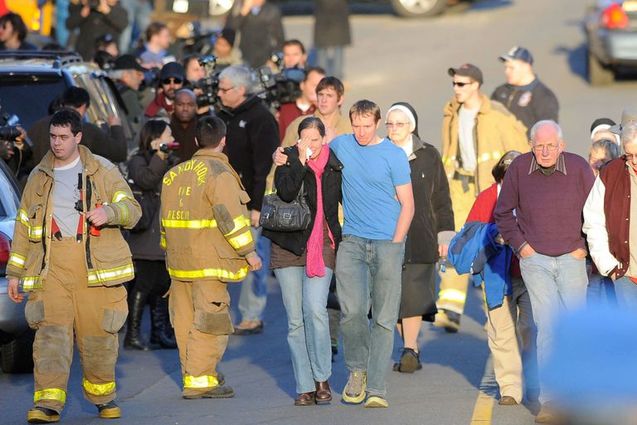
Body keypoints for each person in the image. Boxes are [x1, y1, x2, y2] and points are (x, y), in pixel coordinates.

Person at [275, 100, 414, 407]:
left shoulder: (393, 154)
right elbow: (310, 150)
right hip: (351, 241)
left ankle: (377, 386)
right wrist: (281, 155)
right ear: (350, 123)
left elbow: (408, 204)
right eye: (357, 125)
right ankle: (357, 373)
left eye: (367, 125)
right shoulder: (340, 146)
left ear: (377, 123)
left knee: (383, 318)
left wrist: (396, 242)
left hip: (387, 243)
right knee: (352, 313)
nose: (362, 132)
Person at [6, 108, 141, 423]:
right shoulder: (38, 177)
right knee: (50, 337)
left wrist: (110, 213)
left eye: (64, 137)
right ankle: (48, 403)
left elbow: (132, 210)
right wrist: (15, 273)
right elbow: (24, 228)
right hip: (51, 269)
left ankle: (103, 396)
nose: (57, 143)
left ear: (78, 137)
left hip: (94, 270)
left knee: (97, 338)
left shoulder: (103, 171)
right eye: (53, 136)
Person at [494, 120, 595, 423]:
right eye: (540, 145)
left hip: (572, 258)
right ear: (531, 145)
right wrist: (522, 247)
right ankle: (550, 401)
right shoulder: (519, 169)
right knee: (548, 327)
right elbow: (503, 213)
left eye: (551, 145)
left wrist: (585, 248)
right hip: (535, 259)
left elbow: (594, 213)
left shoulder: (578, 168)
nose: (546, 151)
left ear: (561, 146)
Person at [160, 115, 262, 399]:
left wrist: (168, 250)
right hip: (209, 262)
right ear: (224, 141)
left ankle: (193, 374)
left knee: (184, 322)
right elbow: (230, 219)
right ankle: (201, 381)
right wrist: (249, 252)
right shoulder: (220, 175)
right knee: (210, 321)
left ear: (195, 141)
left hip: (179, 263)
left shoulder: (173, 174)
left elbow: (163, 221)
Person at [436, 63, 529, 333]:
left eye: (461, 84)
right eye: (454, 83)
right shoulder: (451, 113)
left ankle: (506, 299)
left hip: (489, 188)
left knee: (493, 242)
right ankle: (450, 307)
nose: (456, 89)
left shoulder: (497, 116)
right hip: (459, 186)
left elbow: (519, 151)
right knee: (460, 238)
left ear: (476, 85)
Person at [263, 116, 342, 406]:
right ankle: (304, 385)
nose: (310, 145)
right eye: (304, 139)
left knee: (315, 309)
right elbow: (285, 191)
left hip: (321, 244)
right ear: (297, 140)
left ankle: (322, 377)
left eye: (315, 140)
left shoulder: (335, 165)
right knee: (295, 320)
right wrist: (297, 160)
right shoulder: (286, 159)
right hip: (287, 246)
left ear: (324, 140)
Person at [384, 103, 454, 373]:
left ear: (411, 126)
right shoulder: (379, 153)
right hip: (386, 235)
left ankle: (410, 348)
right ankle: (409, 345)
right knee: (395, 297)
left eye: (399, 124)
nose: (393, 130)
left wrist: (445, 234)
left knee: (413, 293)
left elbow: (441, 199)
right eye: (389, 124)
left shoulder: (428, 155)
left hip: (421, 235)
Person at [465, 150, 538, 405]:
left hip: (531, 275)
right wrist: (494, 237)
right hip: (498, 278)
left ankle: (535, 381)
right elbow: (471, 235)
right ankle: (510, 388)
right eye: (507, 175)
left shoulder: (535, 195)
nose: (511, 181)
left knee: (531, 329)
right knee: (502, 333)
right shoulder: (487, 197)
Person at [217, 65, 279, 335]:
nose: (218, 93)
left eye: (224, 88)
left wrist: (257, 206)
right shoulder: (222, 116)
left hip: (250, 202)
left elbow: (263, 167)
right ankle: (220, 312)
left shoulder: (260, 118)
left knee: (253, 255)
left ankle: (252, 314)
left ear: (241, 90)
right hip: (222, 200)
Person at [125, 120, 178, 351]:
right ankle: (133, 334)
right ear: (155, 137)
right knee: (144, 284)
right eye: (168, 134)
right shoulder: (138, 159)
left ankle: (160, 332)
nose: (172, 138)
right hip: (145, 234)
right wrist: (158, 156)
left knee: (163, 284)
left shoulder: (172, 161)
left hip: (165, 232)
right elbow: (146, 180)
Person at [584, 116, 637, 310]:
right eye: (629, 155)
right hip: (625, 275)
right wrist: (608, 264)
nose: (633, 161)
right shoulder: (611, 173)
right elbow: (593, 220)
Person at [27, 86, 128, 169]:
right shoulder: (87, 131)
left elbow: (25, 161)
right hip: (73, 189)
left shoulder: (37, 127)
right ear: (84, 106)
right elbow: (119, 153)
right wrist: (116, 126)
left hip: (38, 188)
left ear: (62, 104)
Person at [585, 138, 620, 307]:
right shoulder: (582, 186)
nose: (598, 166)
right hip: (588, 265)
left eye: (604, 161)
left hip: (613, 261)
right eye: (594, 161)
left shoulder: (619, 187)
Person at [492, 46, 559, 133]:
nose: (507, 71)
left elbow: (547, 133)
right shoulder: (501, 91)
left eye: (511, 68)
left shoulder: (543, 96)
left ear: (526, 67)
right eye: (506, 67)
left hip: (526, 145)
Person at [281, 76, 351, 148]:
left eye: (329, 95)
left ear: (340, 99)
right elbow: (283, 154)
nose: (324, 100)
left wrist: (335, 143)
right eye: (321, 94)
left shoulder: (350, 128)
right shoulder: (298, 123)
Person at [226, 0, 284, 68]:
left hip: (265, 56)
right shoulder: (239, 8)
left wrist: (274, 59)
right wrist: (243, 12)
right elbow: (229, 29)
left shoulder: (272, 10)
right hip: (243, 55)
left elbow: (279, 38)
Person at [277, 66, 325, 141]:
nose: (318, 90)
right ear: (302, 85)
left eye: (321, 87)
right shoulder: (284, 110)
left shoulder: (322, 112)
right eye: (314, 85)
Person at [313, 0, 350, 80]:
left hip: (323, 19)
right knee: (337, 50)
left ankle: (322, 79)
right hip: (338, 19)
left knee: (323, 51)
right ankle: (336, 80)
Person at [111, 54, 145, 136]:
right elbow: (137, 127)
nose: (142, 78)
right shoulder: (128, 95)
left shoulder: (110, 89)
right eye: (138, 74)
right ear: (125, 75)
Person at [170, 89, 199, 163]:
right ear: (173, 106)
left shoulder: (202, 129)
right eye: (180, 104)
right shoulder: (165, 128)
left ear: (196, 107)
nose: (185, 109)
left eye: (190, 105)